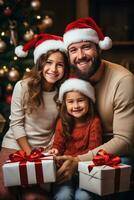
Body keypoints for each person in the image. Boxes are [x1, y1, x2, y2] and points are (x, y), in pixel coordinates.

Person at [55, 17, 134, 189]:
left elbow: (124, 140)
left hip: (117, 153)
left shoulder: (123, 80)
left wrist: (78, 161)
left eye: (86, 47)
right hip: (79, 152)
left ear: (99, 48)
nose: (80, 56)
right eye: (73, 50)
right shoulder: (68, 79)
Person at [0, 33, 69, 198]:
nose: (53, 69)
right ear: (40, 64)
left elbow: (60, 127)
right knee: (4, 193)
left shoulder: (64, 92)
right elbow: (16, 124)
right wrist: (29, 154)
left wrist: (50, 150)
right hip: (16, 145)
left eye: (59, 64)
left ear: (65, 68)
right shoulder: (23, 86)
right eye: (49, 63)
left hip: (44, 150)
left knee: (34, 197)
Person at [48, 78, 102, 200]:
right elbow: (58, 145)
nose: (76, 106)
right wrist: (55, 150)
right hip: (65, 170)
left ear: (89, 101)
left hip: (86, 170)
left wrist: (75, 160)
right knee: (63, 195)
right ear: (65, 104)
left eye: (80, 100)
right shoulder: (62, 122)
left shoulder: (94, 122)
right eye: (70, 102)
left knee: (83, 196)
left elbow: (94, 150)